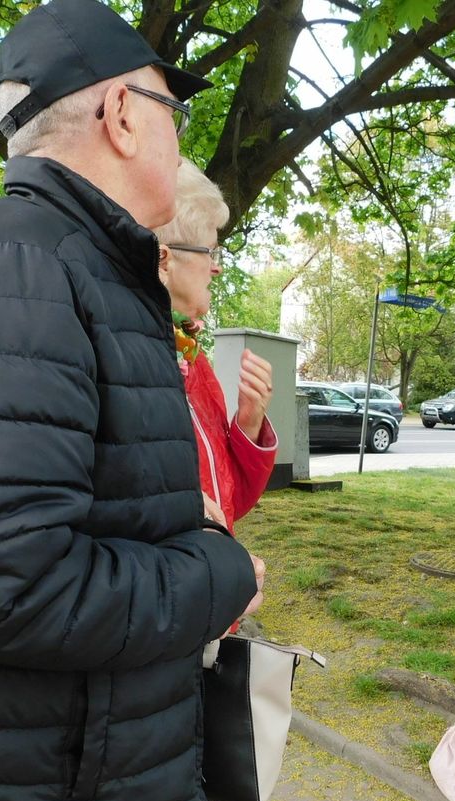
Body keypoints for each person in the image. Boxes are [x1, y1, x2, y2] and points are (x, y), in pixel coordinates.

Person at [0, 1, 262, 801]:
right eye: (172, 111)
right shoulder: (13, 273)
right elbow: (2, 583)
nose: (182, 138)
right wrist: (221, 571)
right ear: (120, 116)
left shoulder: (80, 270)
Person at [153, 160, 277, 533]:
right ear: (164, 258)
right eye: (210, 251)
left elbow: (229, 500)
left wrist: (250, 421)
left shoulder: (192, 358)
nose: (217, 268)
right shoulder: (122, 356)